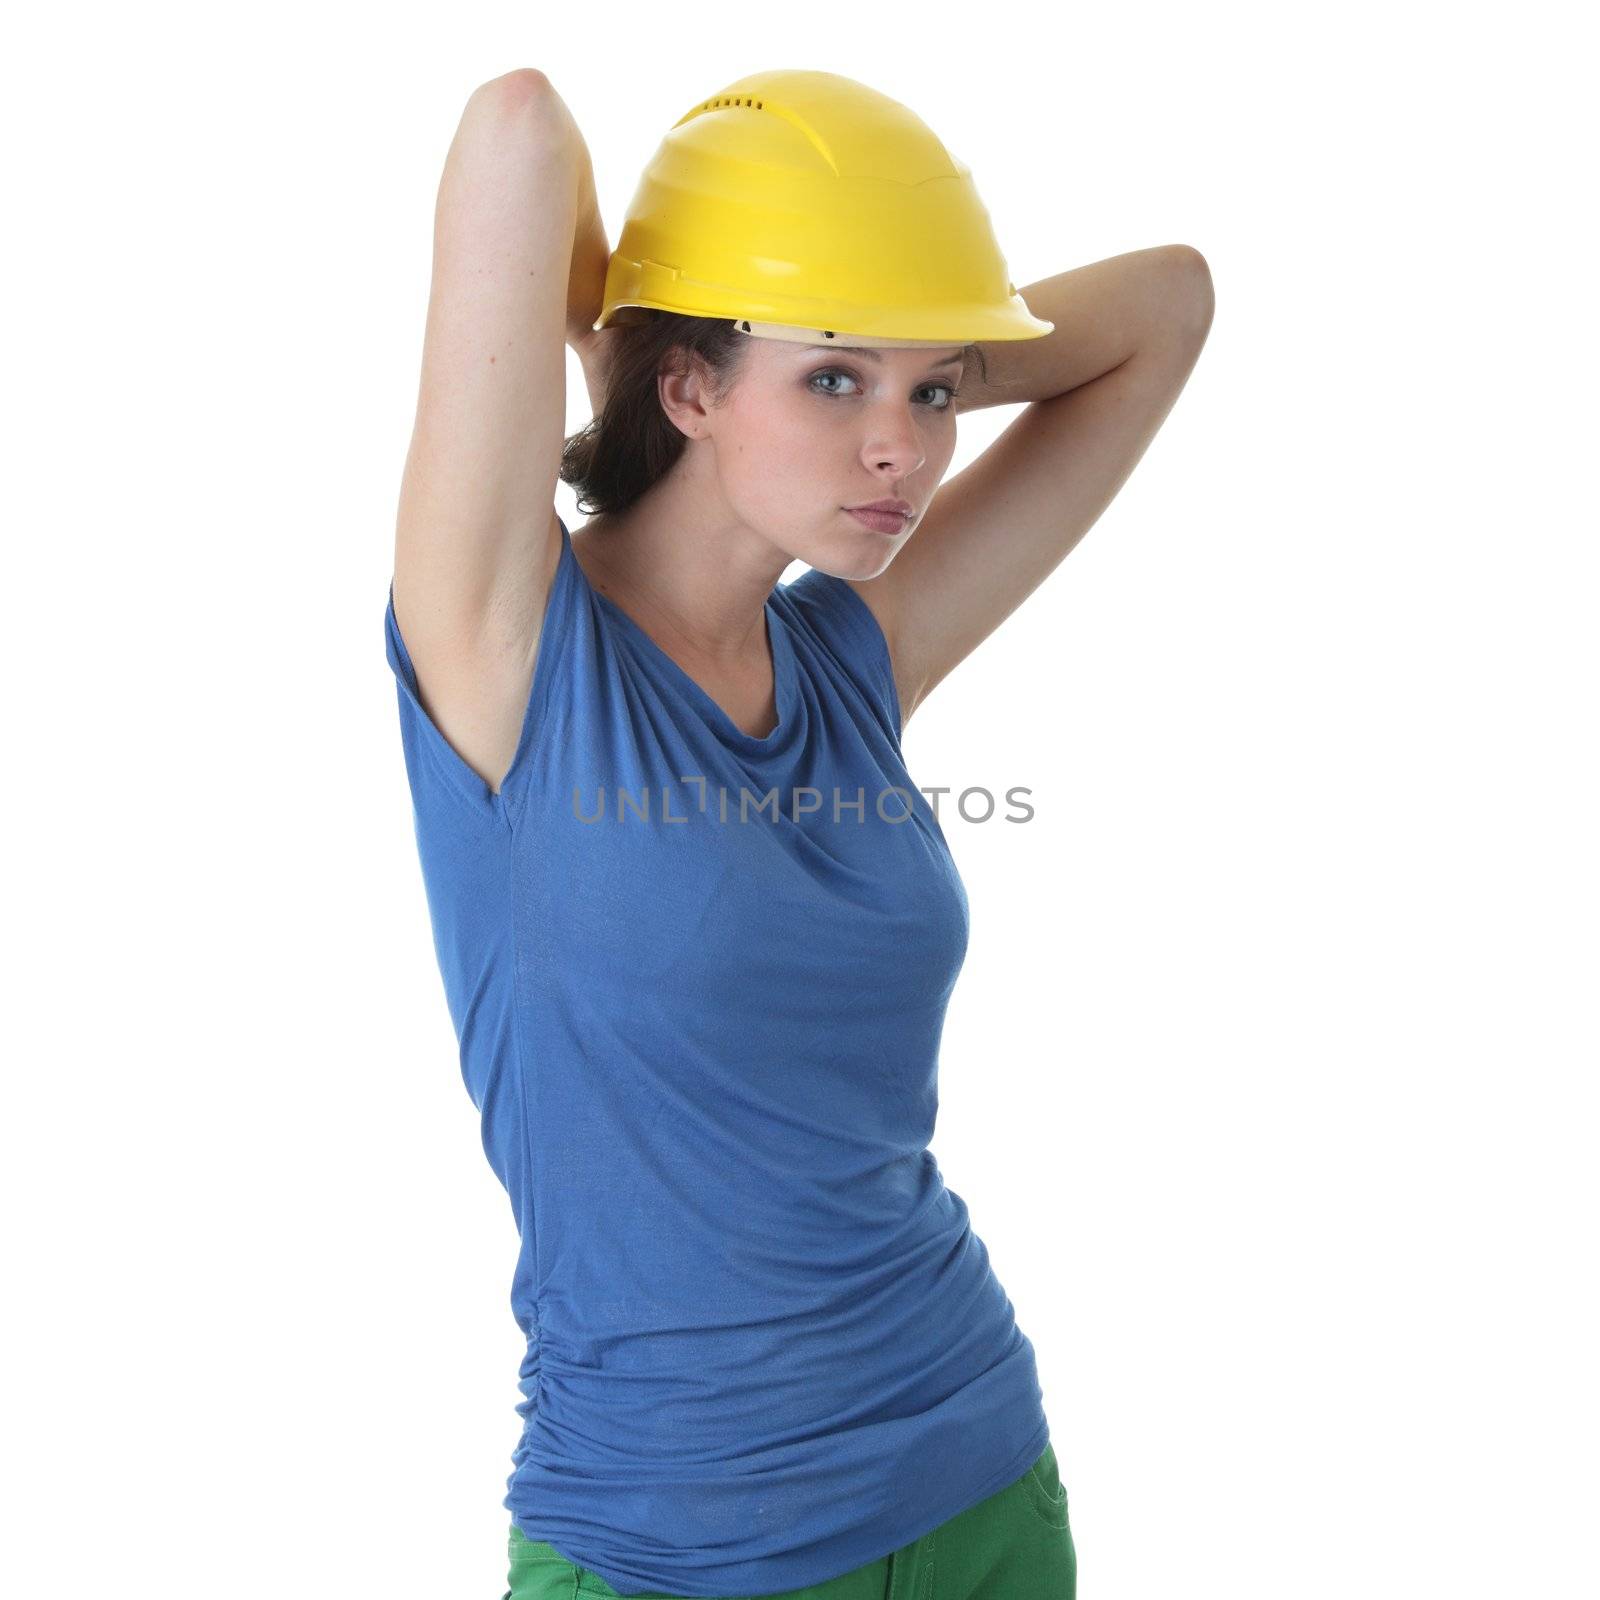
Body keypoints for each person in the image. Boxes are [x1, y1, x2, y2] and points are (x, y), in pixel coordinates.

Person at [384, 65, 1211, 1600]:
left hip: (978, 1484)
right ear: (686, 388)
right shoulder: (510, 655)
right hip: (676, 1539)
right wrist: (632, 334)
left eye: (935, 392)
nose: (903, 448)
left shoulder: (850, 659)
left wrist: (859, 346)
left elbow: (1169, 302)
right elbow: (513, 130)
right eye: (835, 382)